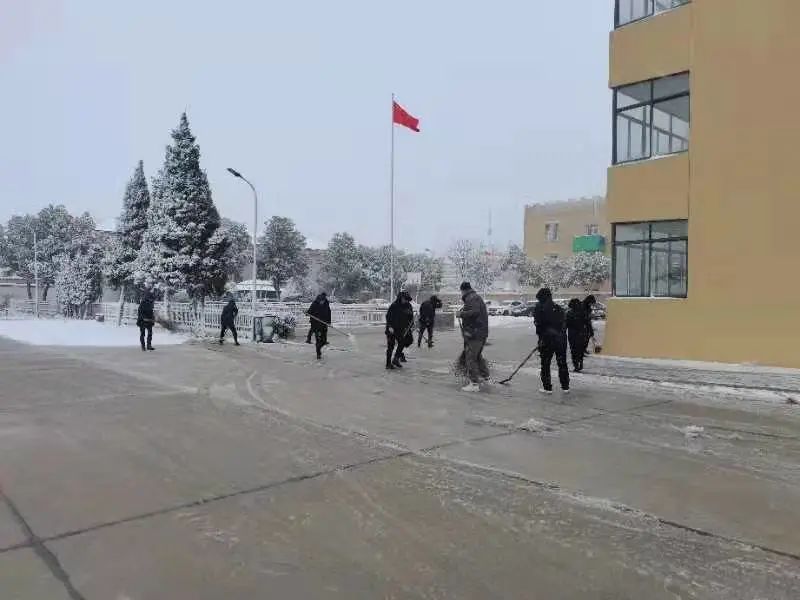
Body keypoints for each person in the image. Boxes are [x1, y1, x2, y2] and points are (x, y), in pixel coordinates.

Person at [533, 287, 570, 394]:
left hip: (547, 341)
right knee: (562, 363)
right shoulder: (558, 308)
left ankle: (547, 387)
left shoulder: (539, 308)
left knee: (545, 364)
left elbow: (539, 325)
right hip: (561, 340)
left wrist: (541, 339)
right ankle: (565, 386)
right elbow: (564, 324)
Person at [457, 282, 489, 392]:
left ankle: (474, 383)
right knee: (477, 356)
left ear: (463, 290)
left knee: (470, 358)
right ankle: (486, 377)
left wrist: (461, 314)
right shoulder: (474, 297)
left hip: (475, 333)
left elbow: (475, 312)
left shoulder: (471, 298)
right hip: (479, 332)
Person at [385, 291, 414, 369]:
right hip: (392, 329)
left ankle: (396, 358)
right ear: (400, 298)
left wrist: (411, 324)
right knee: (390, 346)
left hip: (402, 329)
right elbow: (388, 316)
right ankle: (388, 364)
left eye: (407, 299)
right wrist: (390, 326)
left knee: (404, 342)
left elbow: (411, 317)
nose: (406, 301)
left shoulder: (408, 306)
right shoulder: (394, 305)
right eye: (405, 299)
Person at [306, 292, 331, 360]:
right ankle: (318, 353)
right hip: (316, 325)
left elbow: (329, 312)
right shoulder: (314, 304)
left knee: (324, 341)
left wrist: (329, 322)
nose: (322, 302)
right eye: (321, 301)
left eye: (323, 301)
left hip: (324, 324)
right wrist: (307, 313)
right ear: (319, 300)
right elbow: (309, 312)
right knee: (318, 340)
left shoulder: (326, 303)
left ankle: (320, 346)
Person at [565, 298, 587, 372]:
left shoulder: (568, 313)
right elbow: (587, 323)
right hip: (581, 333)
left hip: (572, 334)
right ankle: (580, 362)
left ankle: (576, 365)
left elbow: (565, 325)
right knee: (580, 349)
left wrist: (561, 331)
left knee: (574, 350)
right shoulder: (582, 313)